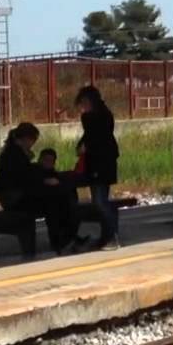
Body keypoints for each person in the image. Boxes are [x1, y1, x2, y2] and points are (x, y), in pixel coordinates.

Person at [0, 123, 77, 254]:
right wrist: (44, 180)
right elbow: (23, 178)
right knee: (55, 201)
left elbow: (27, 177)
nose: (32, 145)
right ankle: (61, 239)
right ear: (25, 139)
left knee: (57, 198)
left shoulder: (15, 152)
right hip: (15, 199)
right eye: (32, 141)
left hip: (19, 196)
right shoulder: (13, 155)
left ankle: (63, 239)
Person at [74, 85, 121, 250]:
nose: (82, 108)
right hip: (97, 162)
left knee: (100, 202)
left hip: (102, 163)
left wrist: (86, 146)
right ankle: (105, 237)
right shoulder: (93, 116)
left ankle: (112, 237)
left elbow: (98, 137)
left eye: (83, 103)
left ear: (89, 101)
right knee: (98, 201)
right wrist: (81, 145)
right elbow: (88, 136)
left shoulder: (100, 115)